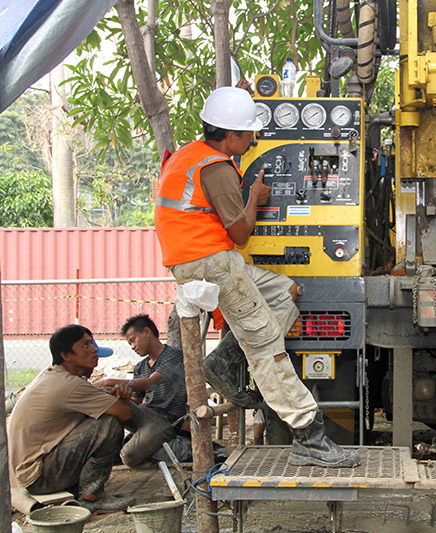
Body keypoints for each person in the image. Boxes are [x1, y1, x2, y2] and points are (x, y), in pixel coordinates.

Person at [154, 86, 360, 468]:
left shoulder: (188, 154)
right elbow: (240, 233)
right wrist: (255, 198)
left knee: (285, 291)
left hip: (208, 261)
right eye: (249, 132)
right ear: (230, 135)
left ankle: (225, 359)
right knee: (266, 346)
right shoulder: (216, 167)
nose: (254, 139)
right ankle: (309, 437)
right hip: (210, 262)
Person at [7, 325, 135, 511]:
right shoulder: (69, 384)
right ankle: (92, 497)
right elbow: (124, 413)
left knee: (99, 417)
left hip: (31, 472)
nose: (94, 350)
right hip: (40, 478)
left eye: (91, 344)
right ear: (66, 355)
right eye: (85, 345)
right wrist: (121, 398)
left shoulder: (55, 375)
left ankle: (83, 490)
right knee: (108, 424)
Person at [94, 314, 188, 466]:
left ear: (147, 332)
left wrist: (109, 382)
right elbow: (135, 401)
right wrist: (121, 395)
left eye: (133, 340)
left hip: (167, 419)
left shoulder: (173, 355)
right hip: (145, 413)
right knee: (107, 397)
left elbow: (151, 382)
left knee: (129, 456)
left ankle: (179, 448)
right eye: (129, 343)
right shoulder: (140, 367)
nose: (132, 347)